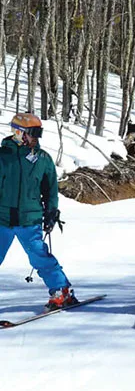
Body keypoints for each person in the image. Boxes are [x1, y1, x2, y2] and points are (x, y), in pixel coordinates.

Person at [0, 113, 75, 311]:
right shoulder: (2, 157)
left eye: (38, 133)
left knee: (40, 257)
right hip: (2, 219)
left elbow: (50, 189)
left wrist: (51, 211)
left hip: (30, 219)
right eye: (33, 133)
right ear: (18, 132)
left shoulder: (42, 159)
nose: (36, 138)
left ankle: (61, 291)